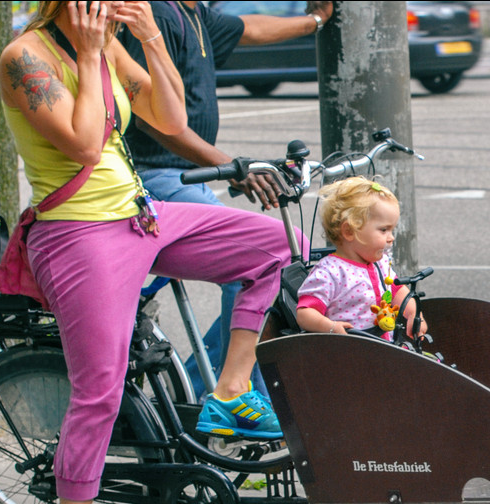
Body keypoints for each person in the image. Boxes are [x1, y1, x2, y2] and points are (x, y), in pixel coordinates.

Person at [0, 0, 293, 504]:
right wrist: (86, 52)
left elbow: (167, 118)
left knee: (272, 244)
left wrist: (152, 39)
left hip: (141, 218)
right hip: (77, 233)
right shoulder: (26, 57)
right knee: (100, 393)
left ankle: (230, 389)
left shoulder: (108, 43)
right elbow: (80, 147)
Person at [118, 0, 333, 401]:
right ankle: (215, 395)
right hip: (157, 175)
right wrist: (232, 165)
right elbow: (145, 113)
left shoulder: (196, 14)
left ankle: (206, 387)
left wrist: (315, 20)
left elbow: (250, 28)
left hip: (187, 175)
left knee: (285, 254)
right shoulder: (159, 15)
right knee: (261, 261)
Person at [295, 177, 424, 340]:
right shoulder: (330, 272)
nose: (391, 238)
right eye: (384, 230)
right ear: (349, 231)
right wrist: (331, 327)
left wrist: (414, 313)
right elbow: (305, 313)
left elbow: (397, 290)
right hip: (350, 353)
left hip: (383, 345)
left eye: (392, 230)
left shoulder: (381, 262)